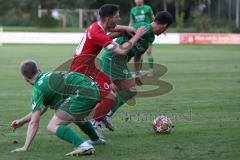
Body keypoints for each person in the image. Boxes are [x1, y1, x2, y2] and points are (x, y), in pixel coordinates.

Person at [69, 4, 147, 137]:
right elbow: (122, 51)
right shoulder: (98, 33)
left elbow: (111, 30)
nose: (118, 19)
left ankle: (99, 115)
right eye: (116, 17)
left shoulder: (96, 26)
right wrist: (137, 35)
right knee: (109, 94)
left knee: (113, 89)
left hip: (88, 67)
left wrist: (126, 29)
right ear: (109, 18)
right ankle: (94, 122)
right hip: (81, 71)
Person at [11, 60, 106, 156]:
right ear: (39, 70)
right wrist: (21, 121)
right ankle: (96, 140)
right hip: (93, 89)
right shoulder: (49, 75)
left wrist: (25, 147)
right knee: (76, 117)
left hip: (82, 93)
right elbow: (41, 109)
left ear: (26, 79)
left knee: (52, 126)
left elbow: (34, 123)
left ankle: (84, 147)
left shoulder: (38, 90)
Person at [100, 11, 173, 128]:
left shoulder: (151, 37)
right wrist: (103, 39)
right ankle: (100, 117)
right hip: (112, 58)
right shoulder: (142, 27)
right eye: (166, 29)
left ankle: (101, 114)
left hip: (119, 62)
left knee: (119, 90)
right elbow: (120, 31)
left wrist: (138, 74)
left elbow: (138, 55)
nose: (164, 31)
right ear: (165, 26)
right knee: (129, 90)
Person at [129, 0, 155, 77]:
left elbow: (153, 18)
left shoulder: (147, 8)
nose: (137, 1)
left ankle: (151, 70)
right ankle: (138, 71)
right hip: (137, 33)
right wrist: (127, 29)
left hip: (147, 33)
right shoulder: (133, 10)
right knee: (139, 52)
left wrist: (159, 27)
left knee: (149, 51)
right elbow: (131, 21)